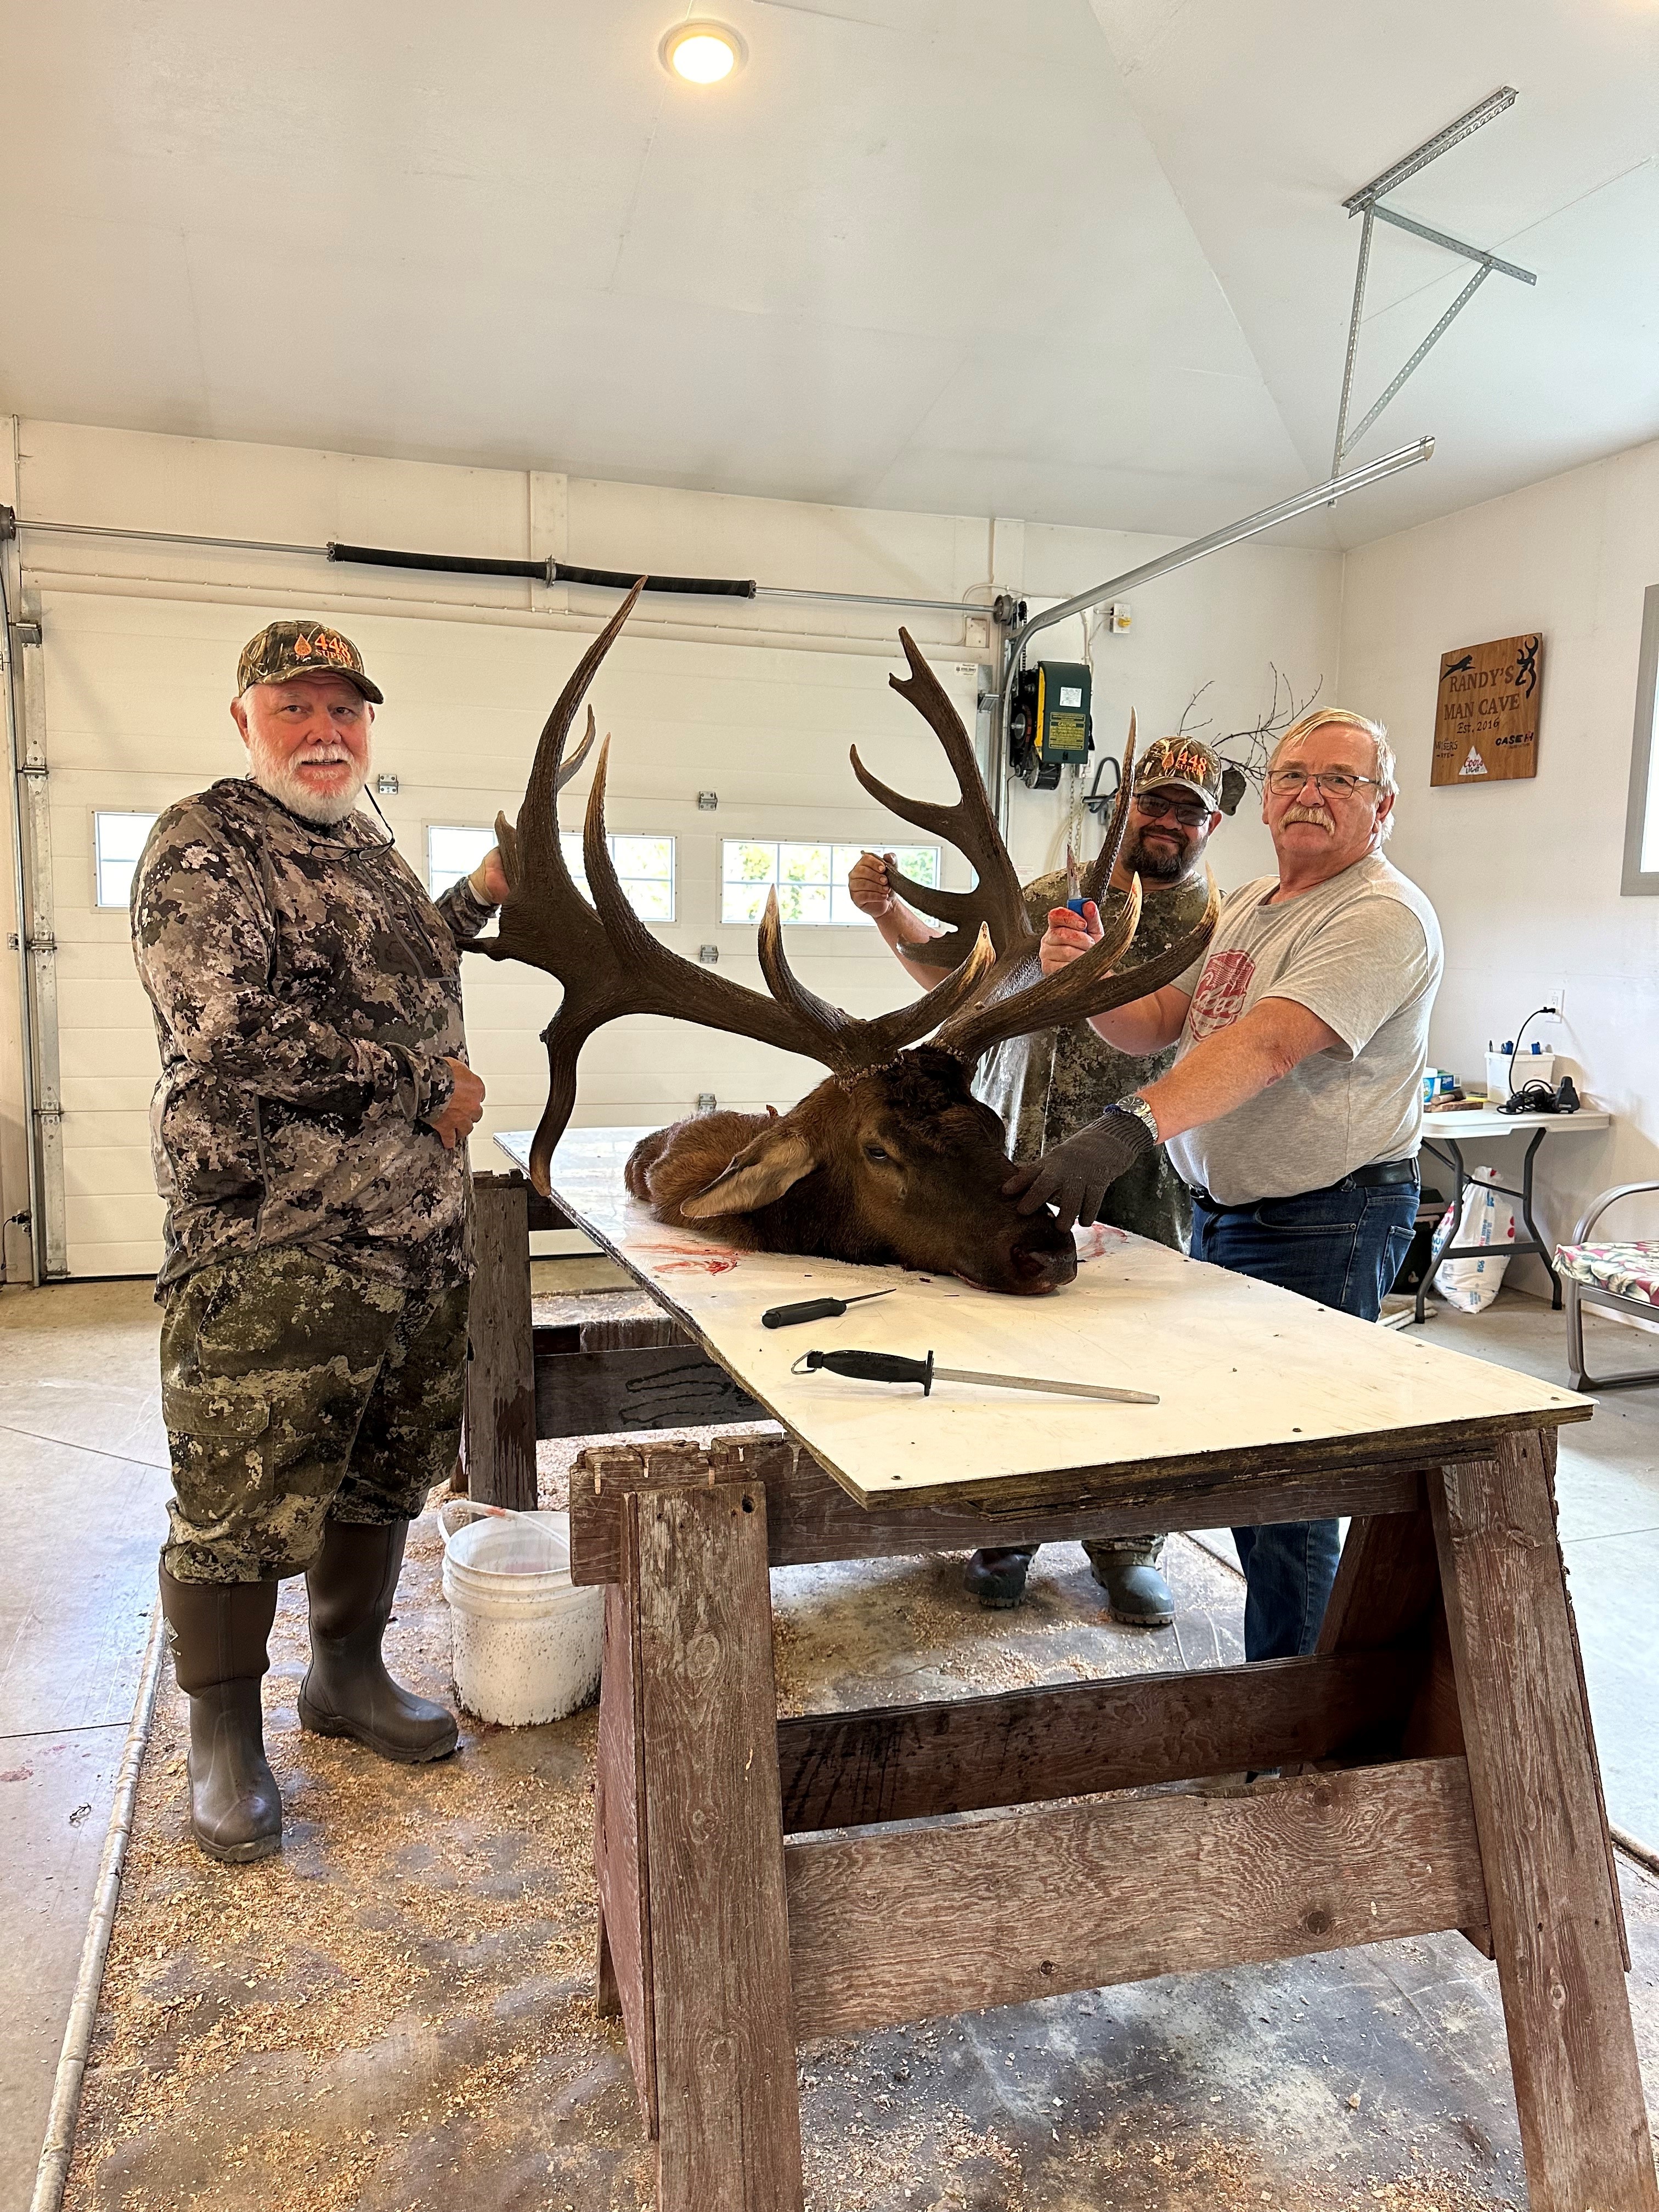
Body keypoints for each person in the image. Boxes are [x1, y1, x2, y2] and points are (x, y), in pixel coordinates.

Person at [132, 619, 509, 1864]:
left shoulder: (373, 854)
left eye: (345, 711)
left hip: (418, 1242)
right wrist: (419, 1084)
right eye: (296, 708)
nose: (326, 731)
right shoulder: (206, 842)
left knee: (384, 1473)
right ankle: (224, 1738)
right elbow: (228, 1027)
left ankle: (344, 1676)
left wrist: (481, 897)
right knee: (241, 1491)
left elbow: (402, 965)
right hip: (275, 1241)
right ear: (245, 719)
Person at [1009, 708, 1442, 1662]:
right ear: (1267, 798)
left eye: (1341, 780)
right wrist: (1087, 978)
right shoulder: (1249, 906)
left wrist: (1127, 1128)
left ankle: (1295, 1725)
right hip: (1232, 1215)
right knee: (1251, 1466)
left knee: (1289, 1491)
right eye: (1294, 775)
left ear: (1385, 807)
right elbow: (1164, 1021)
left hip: (1325, 1222)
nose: (1311, 794)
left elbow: (1274, 1040)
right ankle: (1282, 1689)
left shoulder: (1379, 914)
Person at [848, 735, 1225, 1624]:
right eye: (1154, 802)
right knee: (1006, 1342)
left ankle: (1128, 1548)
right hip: (1014, 1149)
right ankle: (1009, 1530)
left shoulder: (1218, 926)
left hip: (1139, 1172)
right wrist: (888, 915)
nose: (1167, 821)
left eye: (1188, 811)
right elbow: (962, 971)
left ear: (1212, 824)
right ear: (1125, 805)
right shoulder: (1057, 899)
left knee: (1136, 1356)